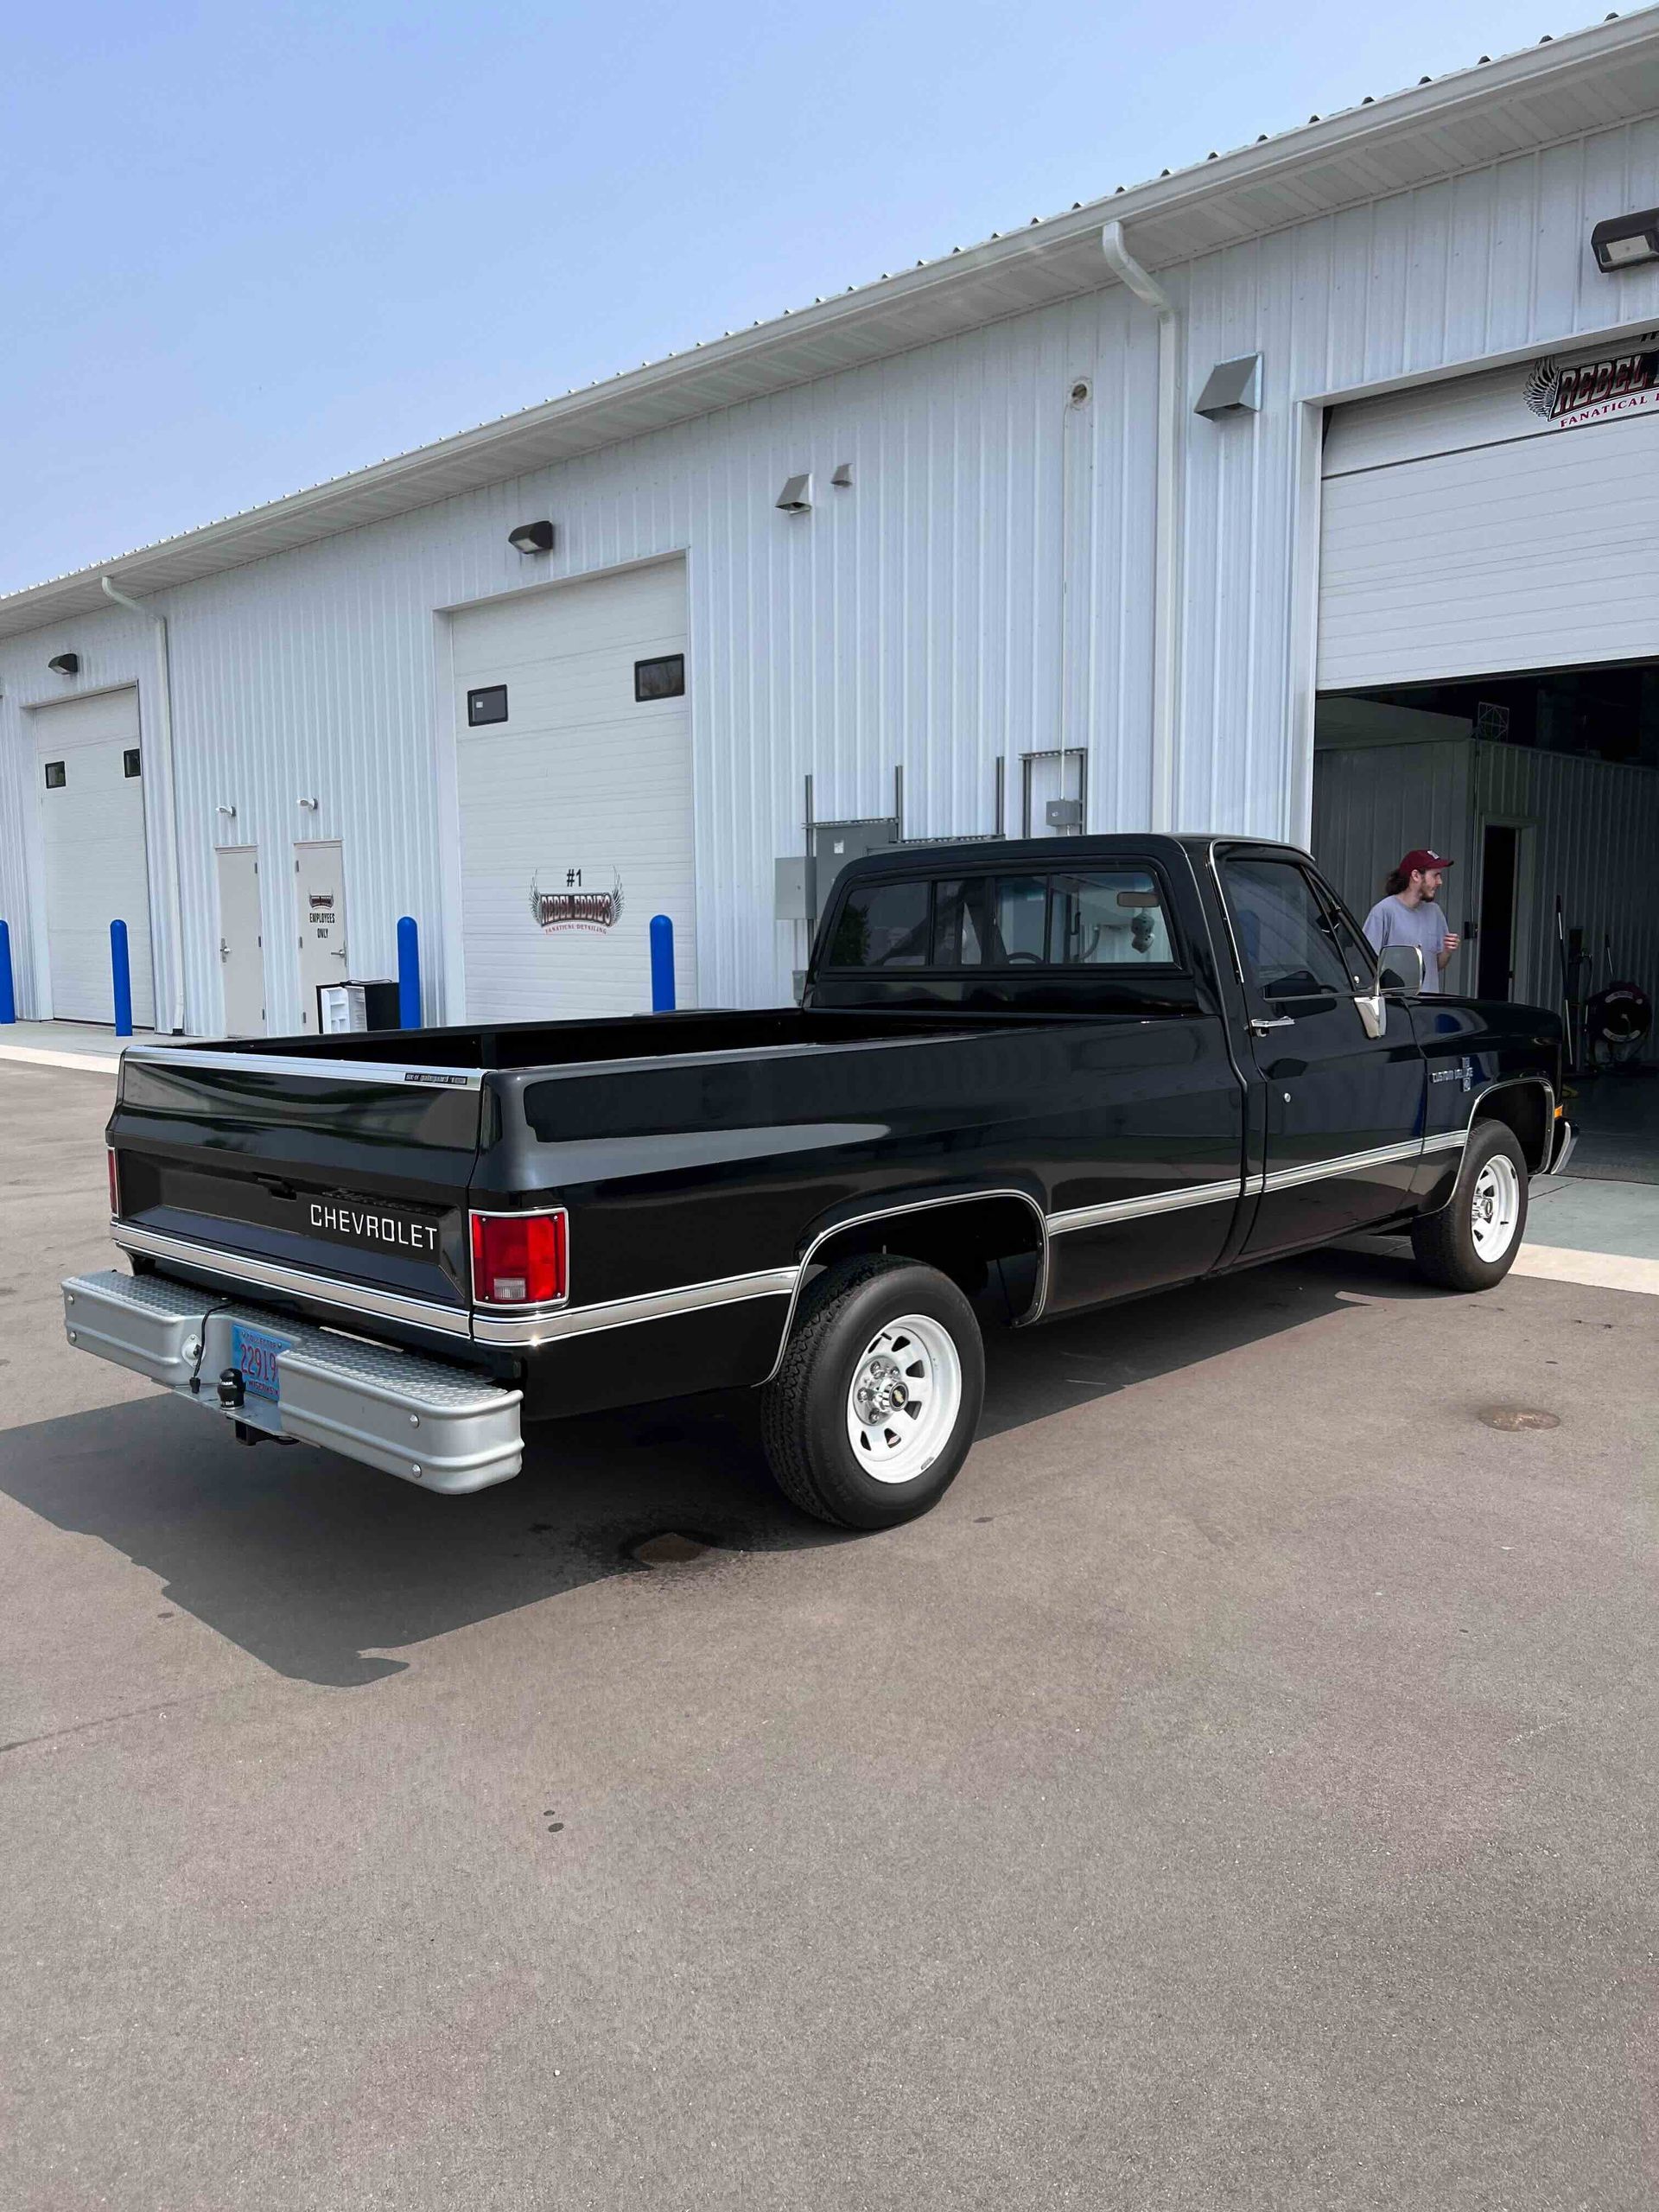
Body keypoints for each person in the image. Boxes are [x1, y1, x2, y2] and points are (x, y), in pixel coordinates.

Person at [1362, 849, 1461, 992]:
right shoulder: (1384, 911)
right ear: (1415, 875)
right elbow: (1365, 963)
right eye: (1435, 875)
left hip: (1427, 1006)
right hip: (1397, 1007)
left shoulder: (1435, 913)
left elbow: (1436, 966)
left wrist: (1446, 951)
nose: (1440, 882)